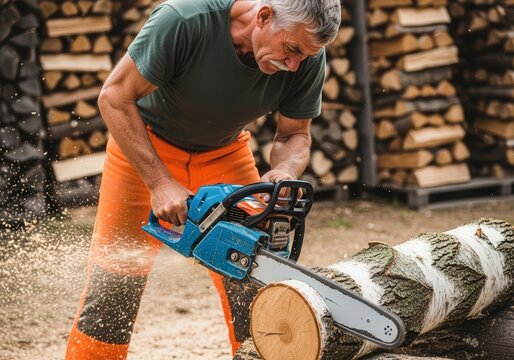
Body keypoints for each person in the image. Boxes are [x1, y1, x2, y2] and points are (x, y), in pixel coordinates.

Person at [65, 0, 341, 358]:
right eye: (291, 50)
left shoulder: (305, 56)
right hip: (145, 149)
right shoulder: (184, 20)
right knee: (115, 283)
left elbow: (294, 135)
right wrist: (159, 182)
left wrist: (285, 171)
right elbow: (115, 97)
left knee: (251, 276)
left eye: (303, 56)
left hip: (224, 152)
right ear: (264, 16)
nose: (294, 65)